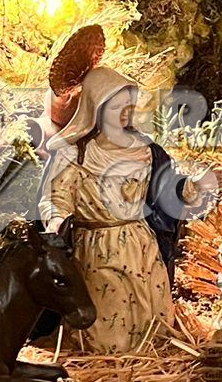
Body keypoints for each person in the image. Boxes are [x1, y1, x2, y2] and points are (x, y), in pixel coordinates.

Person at [41, 61, 207, 353]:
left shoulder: (145, 150)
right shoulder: (76, 153)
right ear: (97, 108)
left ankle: (149, 353)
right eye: (118, 107)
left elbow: (166, 192)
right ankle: (114, 359)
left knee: (151, 316)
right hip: (98, 247)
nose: (126, 113)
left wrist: (195, 186)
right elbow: (56, 197)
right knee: (110, 321)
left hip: (141, 243)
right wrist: (57, 220)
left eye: (130, 105)